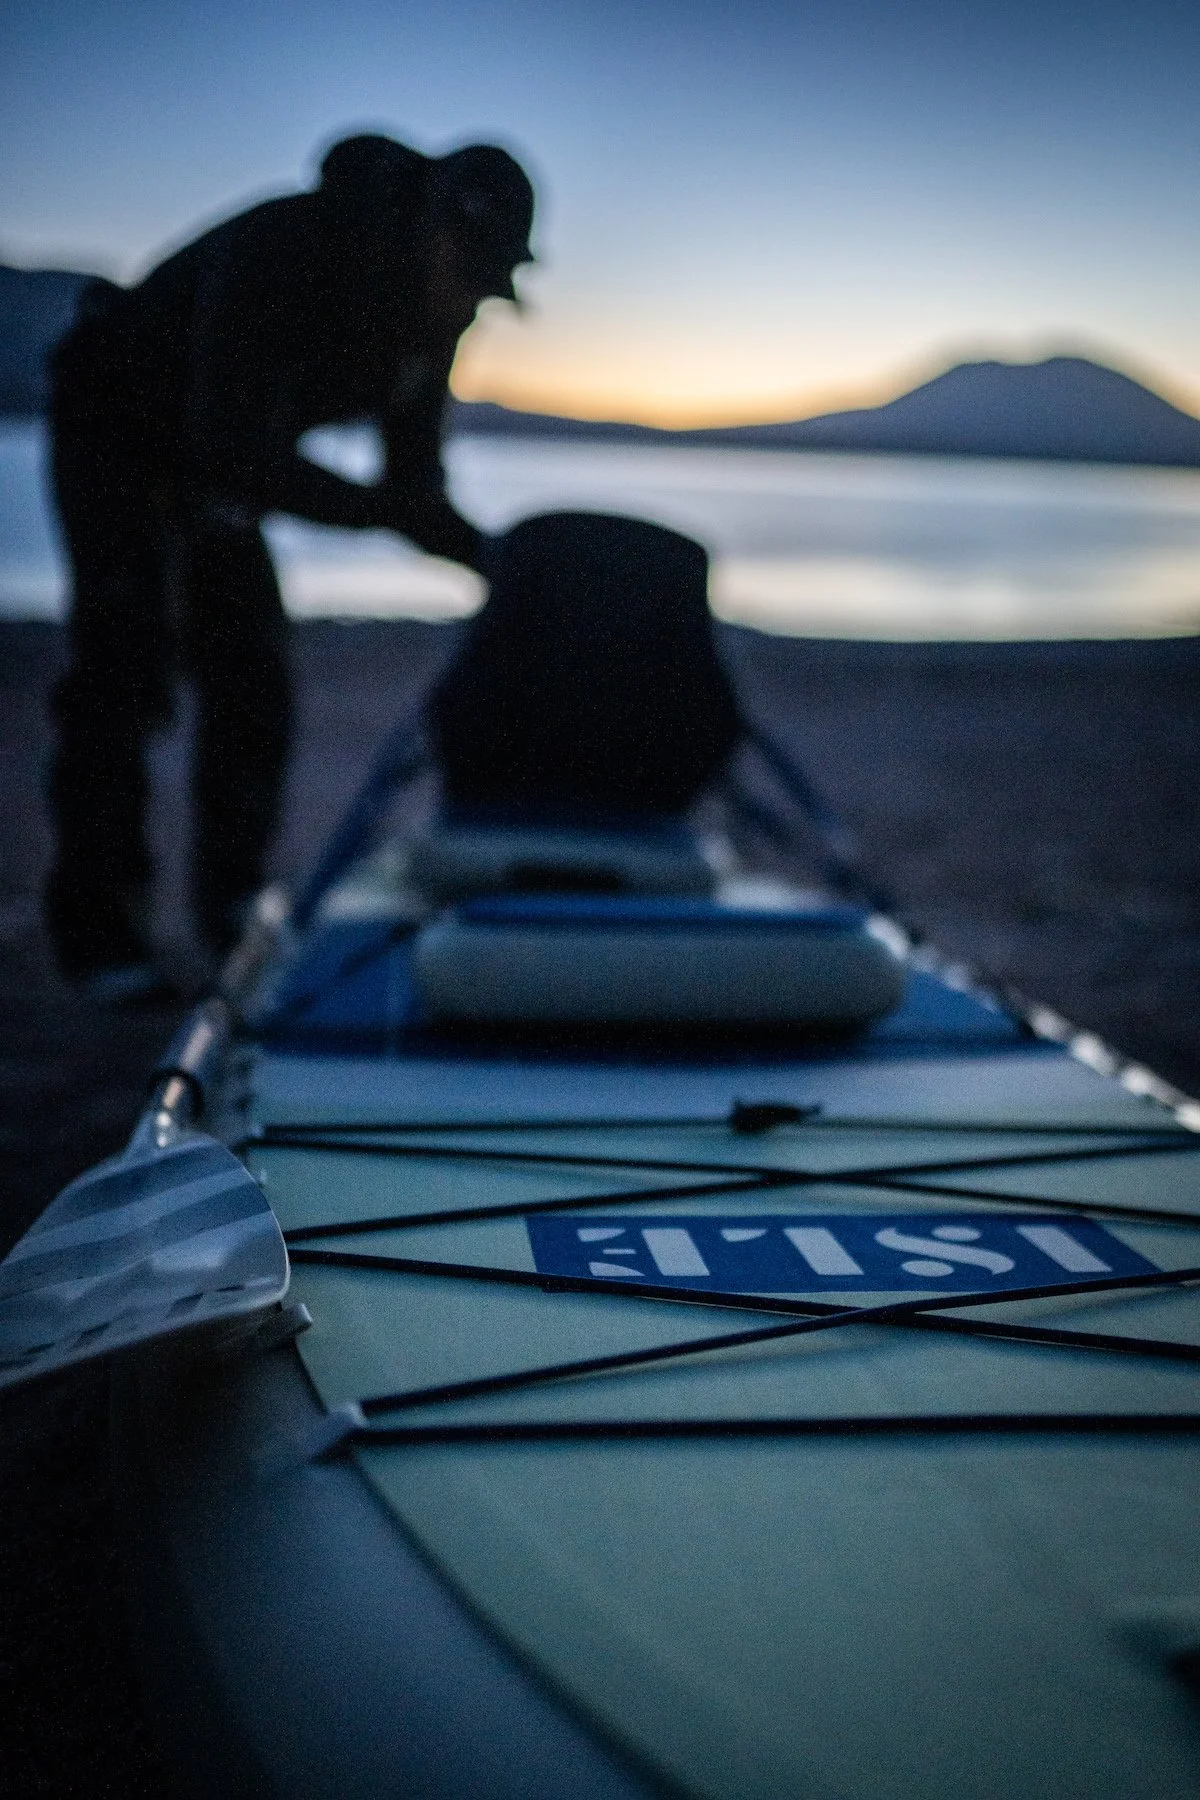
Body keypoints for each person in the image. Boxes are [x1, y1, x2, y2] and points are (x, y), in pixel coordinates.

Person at [45, 131, 534, 1000]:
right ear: (436, 233)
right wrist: (378, 512)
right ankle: (99, 936)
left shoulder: (431, 328)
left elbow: (411, 488)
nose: (469, 307)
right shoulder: (292, 249)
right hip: (116, 432)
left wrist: (507, 567)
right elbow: (231, 443)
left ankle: (232, 904)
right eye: (468, 277)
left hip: (222, 477)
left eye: (486, 292)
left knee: (254, 679)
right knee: (123, 671)